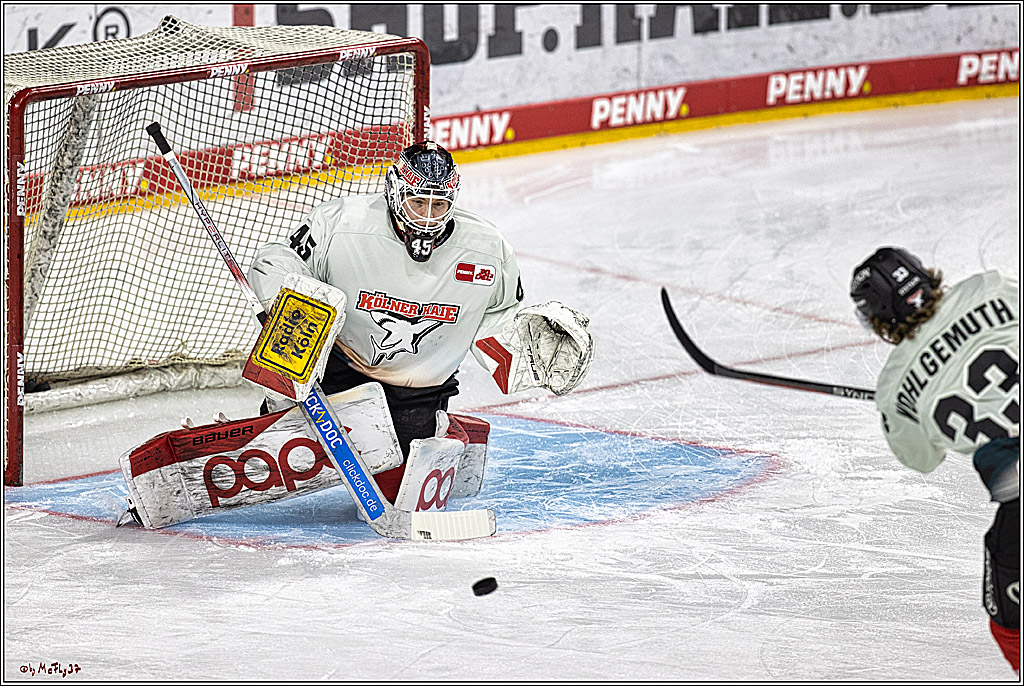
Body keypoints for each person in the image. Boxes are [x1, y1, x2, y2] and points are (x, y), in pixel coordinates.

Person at [247, 140, 593, 504]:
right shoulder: (341, 223)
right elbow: (277, 258)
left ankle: (446, 432)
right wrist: (287, 297)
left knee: (395, 491)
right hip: (335, 367)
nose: (428, 216)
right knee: (295, 314)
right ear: (396, 192)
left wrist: (529, 347)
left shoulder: (488, 249)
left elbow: (495, 319)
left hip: (416, 390)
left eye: (439, 204)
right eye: (418, 202)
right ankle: (280, 413)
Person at [850, 246, 1019, 674]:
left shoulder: (895, 389)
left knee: (1010, 624)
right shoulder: (991, 288)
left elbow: (922, 459)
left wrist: (905, 405)